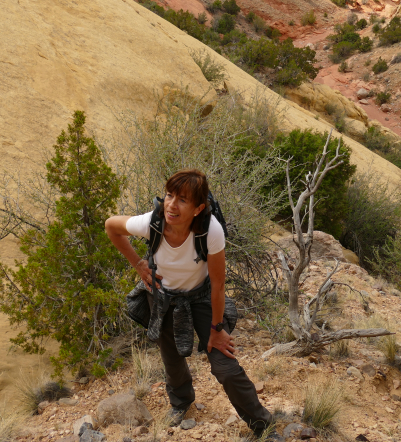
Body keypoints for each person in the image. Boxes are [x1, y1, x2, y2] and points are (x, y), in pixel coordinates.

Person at [105, 169, 282, 441]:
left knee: (224, 365)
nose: (172, 205)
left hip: (201, 297)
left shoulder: (210, 232)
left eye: (183, 200)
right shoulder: (150, 223)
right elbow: (111, 226)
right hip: (162, 297)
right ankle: (180, 403)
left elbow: (219, 285)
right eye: (169, 195)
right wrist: (139, 264)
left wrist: (217, 328)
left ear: (198, 208)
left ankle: (262, 423)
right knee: (171, 357)